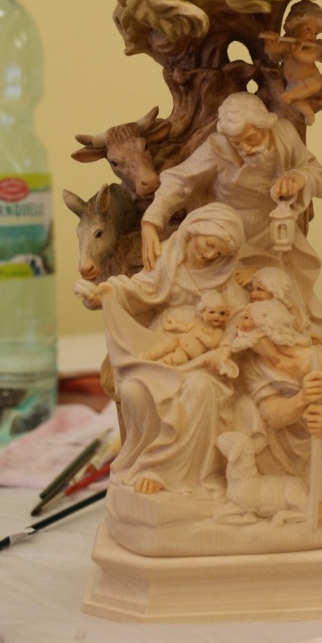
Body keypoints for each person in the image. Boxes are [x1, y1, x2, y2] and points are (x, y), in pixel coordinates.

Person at [74, 202, 250, 498]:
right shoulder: (168, 260)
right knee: (133, 390)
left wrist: (222, 349)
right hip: (160, 343)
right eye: (208, 245)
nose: (210, 255)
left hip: (202, 359)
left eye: (218, 252)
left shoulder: (225, 277)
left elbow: (238, 320)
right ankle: (146, 462)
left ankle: (170, 471)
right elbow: (138, 289)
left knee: (201, 390)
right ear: (193, 231)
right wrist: (105, 292)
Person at [141, 91, 322, 340]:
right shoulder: (217, 148)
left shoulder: (284, 135)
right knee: (233, 293)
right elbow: (179, 181)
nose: (245, 149)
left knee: (287, 285)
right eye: (237, 143)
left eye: (251, 139)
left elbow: (313, 169)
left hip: (275, 225)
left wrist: (299, 178)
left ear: (265, 126)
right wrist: (151, 221)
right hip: (229, 236)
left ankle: (286, 333)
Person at [231, 299, 322, 524]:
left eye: (247, 318)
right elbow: (272, 414)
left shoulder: (311, 359)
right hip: (287, 436)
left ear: (267, 325)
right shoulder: (254, 365)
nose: (239, 325)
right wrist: (302, 398)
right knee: (243, 407)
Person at [261, 0, 322, 125]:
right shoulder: (288, 44)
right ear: (294, 28)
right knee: (293, 101)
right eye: (308, 29)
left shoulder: (312, 47)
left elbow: (308, 58)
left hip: (310, 79)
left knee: (313, 85)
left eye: (315, 33)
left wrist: (297, 52)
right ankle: (307, 112)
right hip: (293, 84)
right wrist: (270, 43)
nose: (312, 35)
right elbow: (273, 52)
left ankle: (293, 95)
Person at [140, 290, 231, 366]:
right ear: (202, 311)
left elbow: (212, 344)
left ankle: (159, 364)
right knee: (165, 346)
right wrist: (175, 325)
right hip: (179, 340)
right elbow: (186, 327)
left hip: (188, 354)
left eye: (222, 313)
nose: (217, 316)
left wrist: (200, 335)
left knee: (177, 359)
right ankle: (149, 356)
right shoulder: (198, 322)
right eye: (212, 312)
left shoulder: (217, 331)